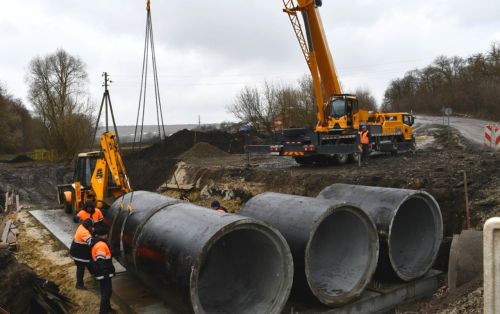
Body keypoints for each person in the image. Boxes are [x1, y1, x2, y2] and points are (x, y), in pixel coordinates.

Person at [91, 225, 116, 314]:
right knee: (107, 293)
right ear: (104, 235)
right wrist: (105, 271)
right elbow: (100, 260)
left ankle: (108, 309)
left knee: (105, 292)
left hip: (101, 272)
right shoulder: (101, 245)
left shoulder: (98, 243)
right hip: (103, 273)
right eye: (106, 234)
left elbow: (105, 255)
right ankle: (103, 312)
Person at [69, 218, 94, 289]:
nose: (92, 228)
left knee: (89, 263)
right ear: (89, 226)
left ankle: (94, 274)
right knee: (81, 268)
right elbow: (91, 243)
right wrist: (100, 240)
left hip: (77, 251)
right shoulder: (84, 232)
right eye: (92, 226)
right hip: (79, 253)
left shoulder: (81, 226)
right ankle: (79, 285)